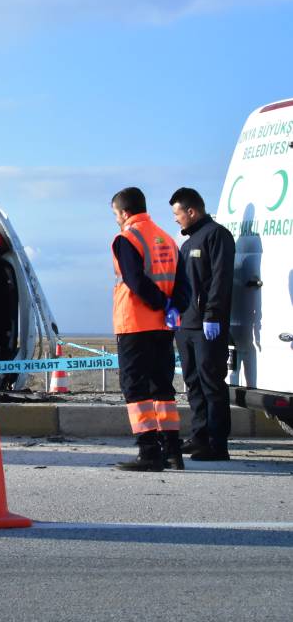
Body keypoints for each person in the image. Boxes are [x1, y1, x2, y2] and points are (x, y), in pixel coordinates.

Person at [110, 186, 188, 471]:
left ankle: (148, 452)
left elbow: (134, 280)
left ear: (125, 212)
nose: (117, 219)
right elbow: (183, 284)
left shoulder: (126, 238)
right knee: (162, 387)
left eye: (116, 214)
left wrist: (158, 303)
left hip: (135, 323)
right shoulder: (167, 239)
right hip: (164, 326)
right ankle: (172, 451)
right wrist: (173, 306)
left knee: (135, 388)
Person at [169, 187, 236, 461]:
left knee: (211, 384)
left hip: (208, 326)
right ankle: (199, 437)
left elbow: (221, 280)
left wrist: (213, 315)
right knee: (193, 383)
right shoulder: (187, 243)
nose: (176, 219)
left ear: (191, 211)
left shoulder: (217, 236)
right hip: (186, 326)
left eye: (177, 213)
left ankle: (217, 444)